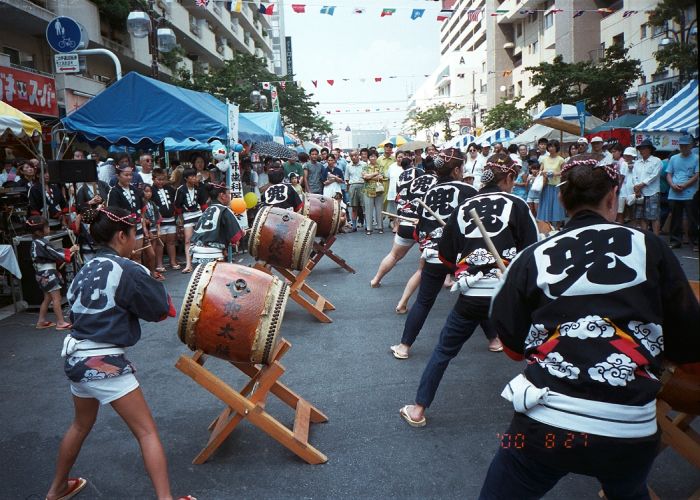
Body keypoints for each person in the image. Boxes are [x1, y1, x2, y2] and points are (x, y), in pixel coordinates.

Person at [479, 153, 700, 499]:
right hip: (629, 430)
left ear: (563, 200)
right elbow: (689, 343)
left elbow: (509, 344)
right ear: (613, 197)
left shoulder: (533, 256)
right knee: (628, 485)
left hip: (544, 429)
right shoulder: (651, 247)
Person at [45, 206, 191, 500]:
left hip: (75, 357)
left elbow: (77, 312)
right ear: (123, 235)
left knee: (80, 424)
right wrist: (145, 273)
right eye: (135, 234)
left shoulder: (85, 267)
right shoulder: (129, 268)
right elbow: (163, 310)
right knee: (147, 432)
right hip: (102, 362)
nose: (138, 240)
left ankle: (57, 489)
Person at [399, 153, 538, 427]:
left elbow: (446, 256)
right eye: (514, 178)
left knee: (443, 351)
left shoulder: (463, 208)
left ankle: (417, 409)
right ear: (509, 178)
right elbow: (531, 253)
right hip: (506, 294)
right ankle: (545, 407)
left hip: (472, 294)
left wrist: (468, 261)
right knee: (536, 349)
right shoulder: (517, 204)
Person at [390, 148, 477, 359]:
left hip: (435, 253)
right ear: (457, 169)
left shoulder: (428, 193)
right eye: (462, 167)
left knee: (423, 301)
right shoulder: (469, 192)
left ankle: (404, 347)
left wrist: (427, 247)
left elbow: (419, 230)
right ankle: (494, 340)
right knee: (475, 296)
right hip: (461, 255)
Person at [371, 157, 437, 291]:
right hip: (421, 223)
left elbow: (401, 197)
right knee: (436, 254)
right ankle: (444, 281)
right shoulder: (426, 177)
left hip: (405, 218)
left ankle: (376, 279)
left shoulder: (401, 176)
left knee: (394, 255)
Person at [27, 216, 79, 330]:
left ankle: (41, 321)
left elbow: (53, 253)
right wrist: (70, 250)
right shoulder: (42, 243)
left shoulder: (36, 243)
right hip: (47, 272)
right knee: (57, 298)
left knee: (48, 298)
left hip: (41, 273)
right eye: (46, 227)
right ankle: (60, 322)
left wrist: (69, 251)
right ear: (38, 231)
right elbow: (54, 253)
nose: (48, 228)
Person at [190, 183, 244, 264]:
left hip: (196, 256)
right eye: (228, 193)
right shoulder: (224, 210)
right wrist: (242, 233)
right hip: (213, 256)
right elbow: (235, 239)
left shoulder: (206, 210)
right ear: (222, 195)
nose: (230, 197)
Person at [666, 135, 699, 250]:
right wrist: (672, 184)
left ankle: (695, 241)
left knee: (693, 218)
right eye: (681, 146)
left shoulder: (696, 158)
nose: (683, 148)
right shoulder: (674, 158)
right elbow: (669, 173)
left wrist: (685, 185)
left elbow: (697, 175)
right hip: (674, 192)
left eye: (686, 145)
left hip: (690, 193)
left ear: (691, 146)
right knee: (675, 218)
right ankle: (675, 241)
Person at [107, 164, 145, 261]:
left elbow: (142, 208)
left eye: (130, 175)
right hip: (124, 228)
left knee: (138, 253)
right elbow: (112, 213)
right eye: (126, 175)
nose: (129, 177)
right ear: (118, 176)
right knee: (127, 256)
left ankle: (138, 275)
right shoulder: (114, 192)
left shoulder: (135, 189)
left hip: (138, 226)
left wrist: (143, 226)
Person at [174, 168, 208, 273]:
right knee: (188, 240)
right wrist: (180, 219)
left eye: (195, 176)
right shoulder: (181, 189)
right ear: (186, 178)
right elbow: (177, 206)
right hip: (187, 215)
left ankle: (204, 262)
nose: (194, 178)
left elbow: (203, 204)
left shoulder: (199, 188)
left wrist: (206, 216)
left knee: (202, 238)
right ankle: (189, 264)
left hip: (199, 214)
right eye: (191, 176)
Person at [152, 168, 179, 271]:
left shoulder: (169, 188)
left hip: (171, 218)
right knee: (160, 243)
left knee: (171, 241)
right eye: (159, 179)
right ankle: (159, 263)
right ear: (153, 179)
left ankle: (173, 261)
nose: (161, 182)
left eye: (163, 179)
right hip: (160, 221)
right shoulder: (152, 190)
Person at [633, 139, 663, 235]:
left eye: (644, 148)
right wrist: (637, 187)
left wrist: (641, 185)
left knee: (654, 217)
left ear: (650, 149)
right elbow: (634, 176)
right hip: (640, 192)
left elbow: (654, 175)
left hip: (652, 192)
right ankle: (645, 237)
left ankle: (656, 238)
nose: (642, 150)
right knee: (642, 216)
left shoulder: (657, 161)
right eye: (641, 149)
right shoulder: (637, 162)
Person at [537, 140, 566, 226]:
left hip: (557, 186)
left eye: (553, 146)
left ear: (557, 147)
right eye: (549, 146)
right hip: (547, 185)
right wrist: (543, 173)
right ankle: (548, 226)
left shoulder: (561, 159)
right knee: (547, 206)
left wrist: (555, 174)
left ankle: (557, 227)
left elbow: (565, 172)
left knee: (557, 206)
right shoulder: (544, 159)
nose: (551, 148)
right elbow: (540, 171)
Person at [140, 185, 162, 280]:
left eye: (150, 191)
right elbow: (143, 218)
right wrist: (147, 231)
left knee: (152, 253)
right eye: (146, 191)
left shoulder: (152, 203)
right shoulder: (141, 203)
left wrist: (158, 230)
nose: (148, 193)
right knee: (149, 254)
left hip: (153, 229)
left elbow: (158, 217)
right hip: (146, 230)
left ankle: (151, 272)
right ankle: (149, 272)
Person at [362, 151, 386, 235]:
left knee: (379, 209)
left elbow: (381, 177)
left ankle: (380, 226)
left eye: (374, 156)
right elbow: (365, 177)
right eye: (371, 156)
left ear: (377, 157)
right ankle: (369, 228)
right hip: (368, 190)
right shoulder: (365, 167)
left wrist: (370, 176)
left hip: (379, 190)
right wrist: (376, 173)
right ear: (368, 158)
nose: (372, 158)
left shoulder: (381, 166)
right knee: (368, 210)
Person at [345, 150, 366, 231]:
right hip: (353, 186)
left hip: (363, 185)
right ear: (350, 157)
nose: (354, 157)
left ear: (358, 155)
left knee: (364, 206)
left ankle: (367, 225)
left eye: (355, 155)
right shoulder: (348, 166)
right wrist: (349, 189)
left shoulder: (364, 164)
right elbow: (347, 179)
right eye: (352, 156)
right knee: (354, 207)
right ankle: (354, 226)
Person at [617, 147, 639, 225]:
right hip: (624, 190)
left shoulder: (637, 164)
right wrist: (618, 188)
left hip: (631, 190)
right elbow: (621, 177)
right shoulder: (625, 163)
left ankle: (632, 228)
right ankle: (621, 228)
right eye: (626, 155)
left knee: (630, 212)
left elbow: (621, 178)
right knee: (621, 212)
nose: (627, 157)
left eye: (629, 155)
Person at [386, 152, 406, 232]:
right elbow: (388, 177)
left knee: (401, 209)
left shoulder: (406, 167)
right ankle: (395, 224)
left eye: (401, 157)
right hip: (392, 191)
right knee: (394, 210)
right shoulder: (391, 166)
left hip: (403, 192)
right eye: (398, 157)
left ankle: (400, 225)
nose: (399, 159)